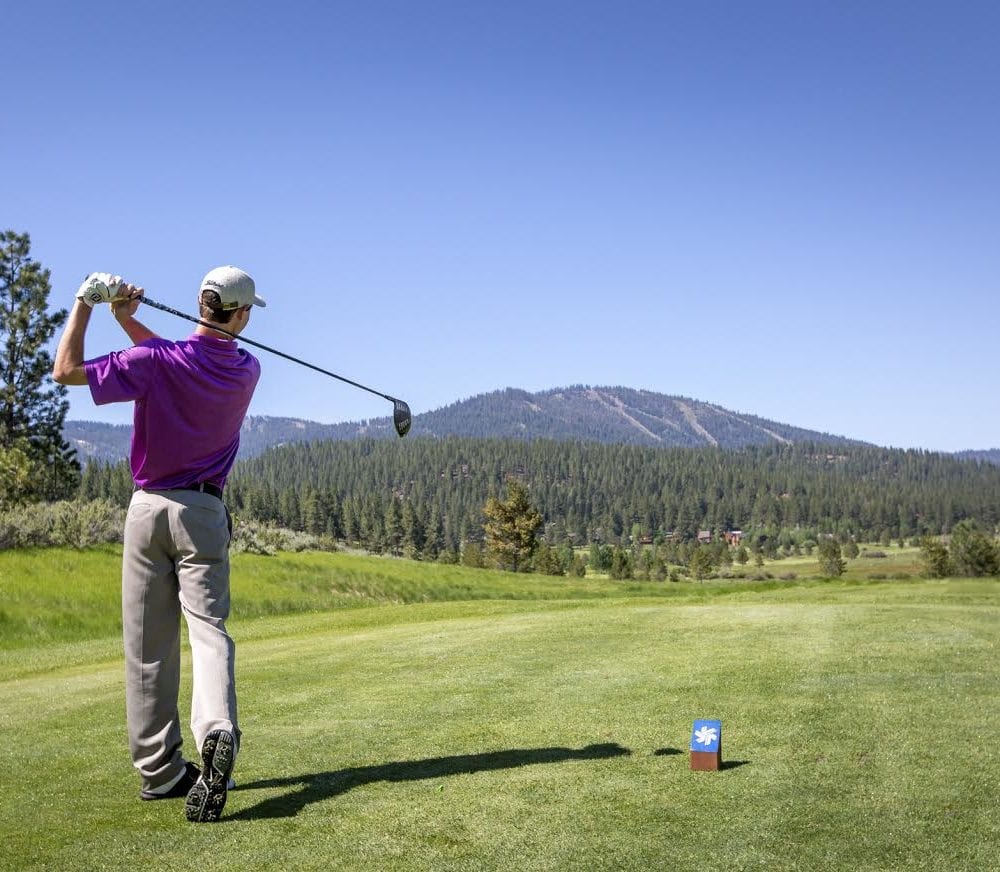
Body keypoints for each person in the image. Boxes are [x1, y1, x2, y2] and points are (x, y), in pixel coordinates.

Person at [52, 266, 265, 823]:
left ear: (200, 304)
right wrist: (129, 321)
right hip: (203, 514)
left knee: (148, 645)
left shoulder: (155, 360)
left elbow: (65, 370)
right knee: (209, 631)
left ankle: (160, 771)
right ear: (241, 315)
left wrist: (87, 304)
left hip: (147, 512)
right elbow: (178, 360)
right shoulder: (247, 369)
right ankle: (217, 728)